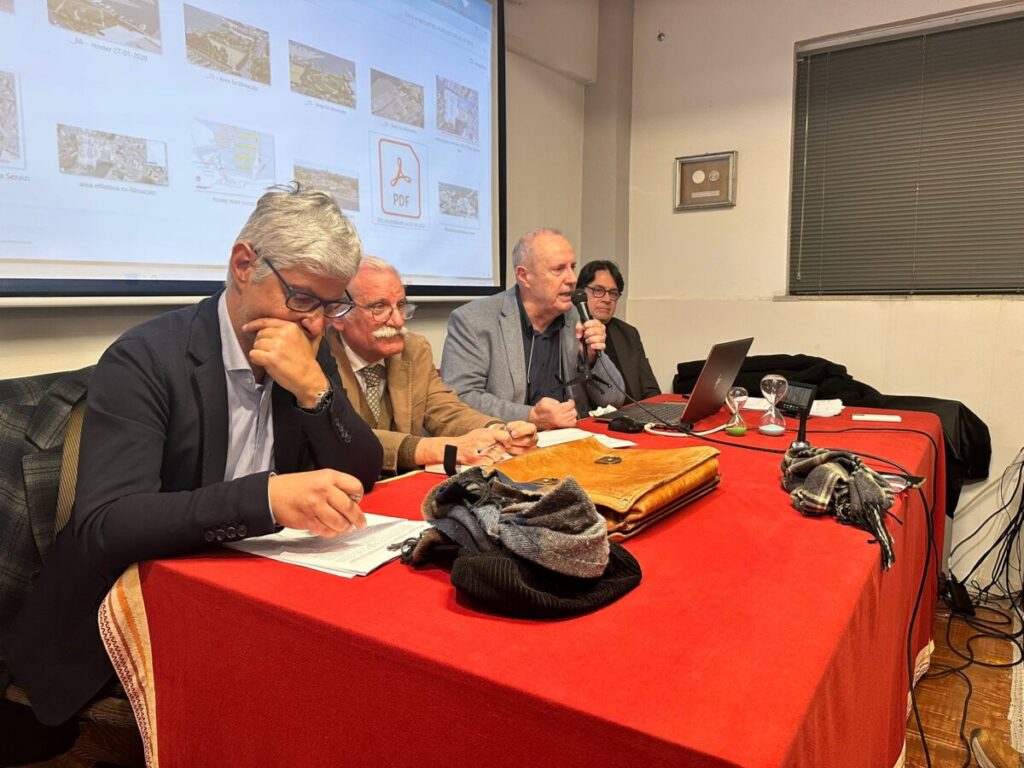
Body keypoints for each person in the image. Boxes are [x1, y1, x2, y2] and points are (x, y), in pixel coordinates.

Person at [4, 183, 384, 726]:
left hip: (249, 587)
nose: (317, 324)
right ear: (243, 265)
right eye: (303, 299)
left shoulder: (305, 350)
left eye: (331, 305)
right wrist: (266, 499)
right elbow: (108, 521)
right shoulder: (146, 357)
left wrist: (315, 391)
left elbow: (362, 473)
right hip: (127, 612)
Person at [327, 256, 537, 474]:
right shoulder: (319, 359)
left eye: (401, 305)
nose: (398, 321)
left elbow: (444, 410)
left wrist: (497, 430)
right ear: (338, 314)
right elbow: (343, 436)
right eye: (379, 307)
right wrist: (433, 448)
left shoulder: (413, 349)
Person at [440, 228, 624, 429]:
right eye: (558, 269)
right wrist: (530, 416)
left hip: (571, 437)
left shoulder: (577, 317)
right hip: (508, 439)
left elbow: (614, 399)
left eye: (572, 267)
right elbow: (461, 398)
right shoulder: (473, 320)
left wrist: (592, 358)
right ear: (524, 276)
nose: (572, 279)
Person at [576, 260, 661, 402]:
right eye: (598, 291)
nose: (607, 299)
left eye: (613, 293)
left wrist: (658, 412)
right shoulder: (569, 332)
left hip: (634, 413)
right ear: (580, 292)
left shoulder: (628, 333)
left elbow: (650, 390)